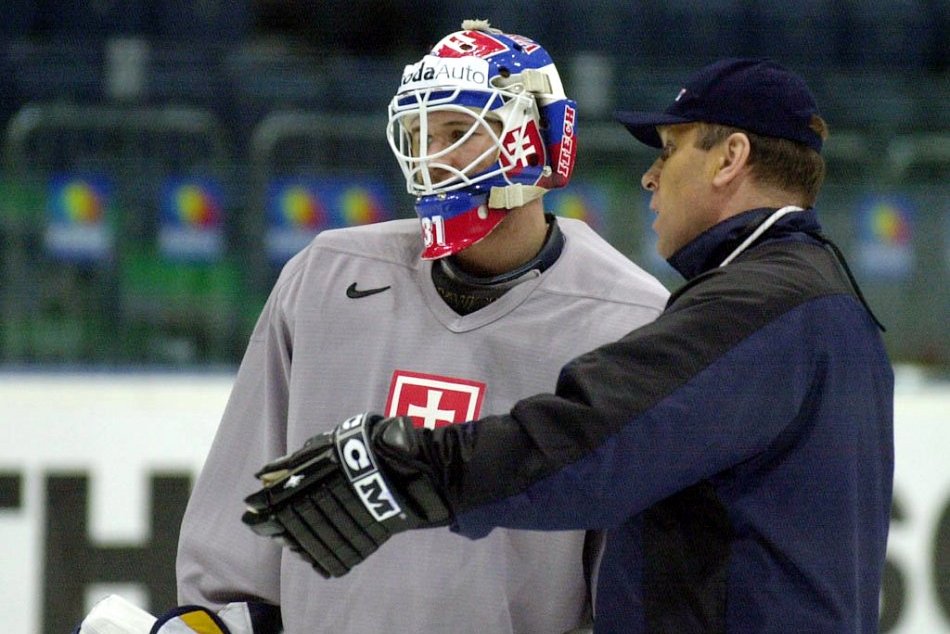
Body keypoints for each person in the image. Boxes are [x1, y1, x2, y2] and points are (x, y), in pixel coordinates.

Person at [243, 58, 895, 634]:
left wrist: (411, 467)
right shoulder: (826, 301)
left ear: (730, 158)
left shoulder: (757, 305)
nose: (649, 177)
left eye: (668, 150)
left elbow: (592, 438)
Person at [175, 19, 669, 634]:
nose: (433, 158)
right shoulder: (325, 278)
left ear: (540, 140)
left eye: (460, 131)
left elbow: (628, 592)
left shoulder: (631, 321)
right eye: (419, 134)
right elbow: (236, 557)